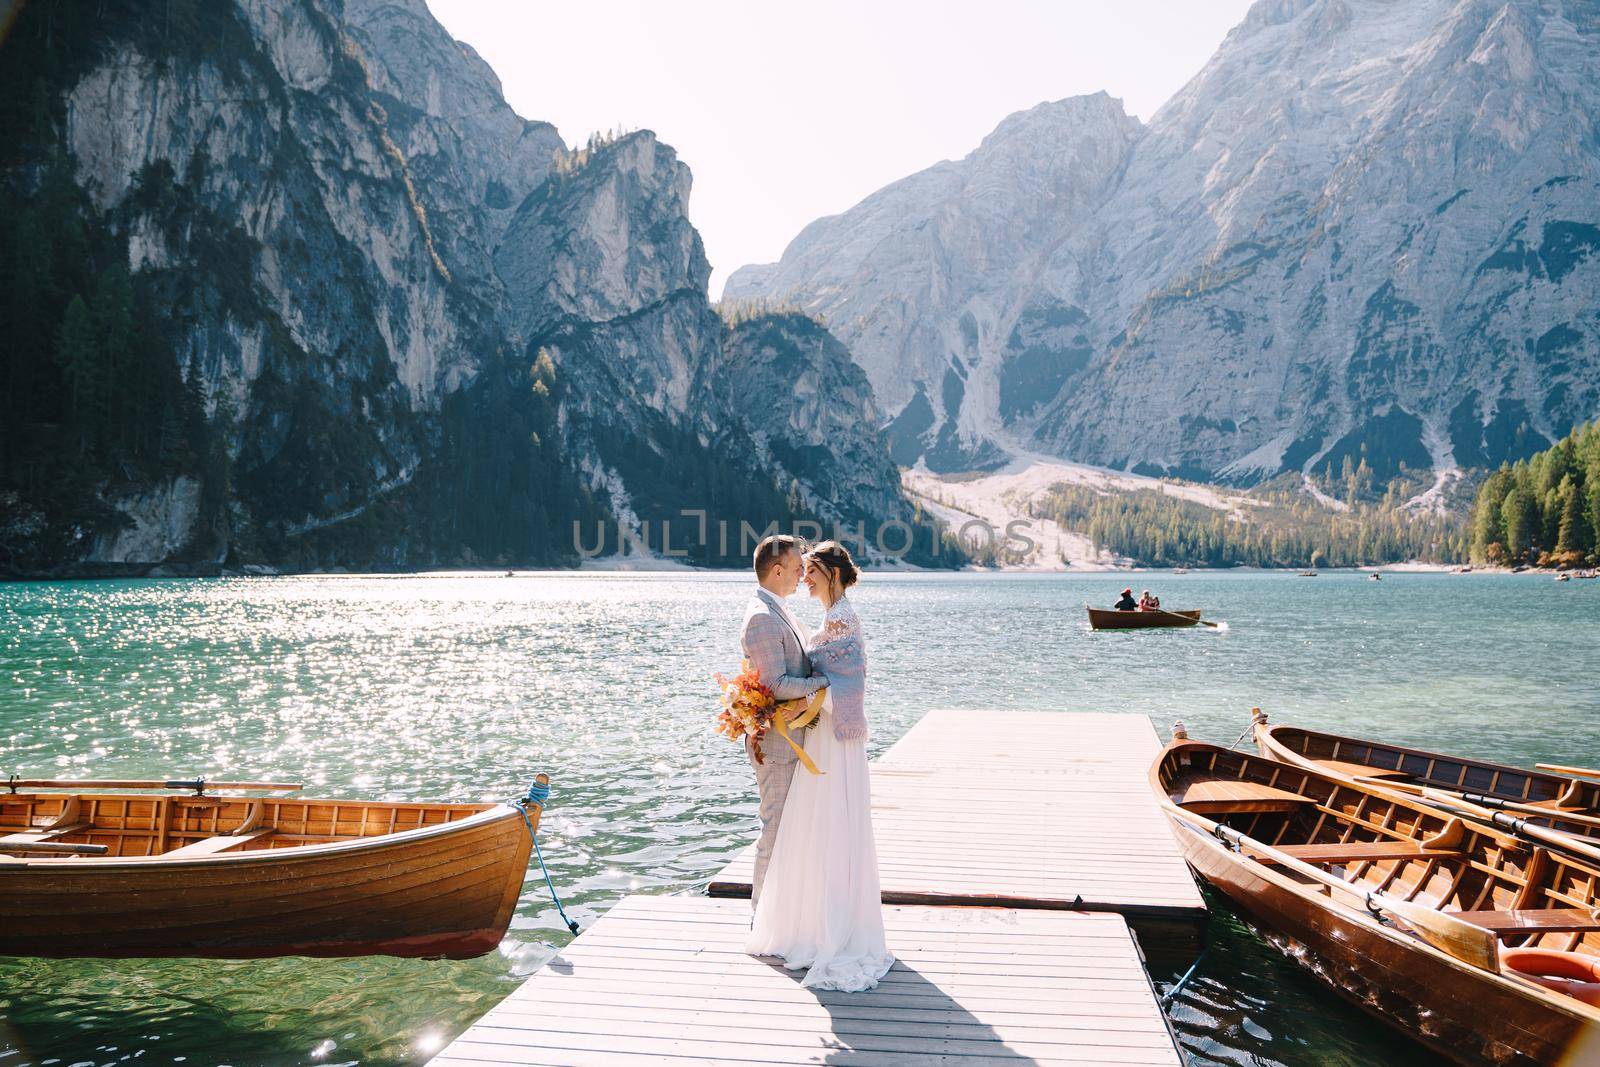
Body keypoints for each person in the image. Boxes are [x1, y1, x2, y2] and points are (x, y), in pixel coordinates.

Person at [747, 540, 894, 992]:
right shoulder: (828, 618)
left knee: (828, 825)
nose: (804, 578)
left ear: (831, 574)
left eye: (810, 571)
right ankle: (811, 920)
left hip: (832, 737)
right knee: (817, 826)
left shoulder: (842, 618)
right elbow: (822, 679)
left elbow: (849, 686)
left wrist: (808, 703)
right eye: (799, 569)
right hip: (822, 736)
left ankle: (826, 927)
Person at [740, 534, 826, 911]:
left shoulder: (779, 610)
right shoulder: (761, 618)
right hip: (777, 744)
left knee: (792, 828)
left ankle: (787, 911)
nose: (801, 575)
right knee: (774, 829)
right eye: (795, 568)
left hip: (791, 736)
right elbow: (775, 685)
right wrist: (824, 684)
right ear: (776, 571)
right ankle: (761, 916)